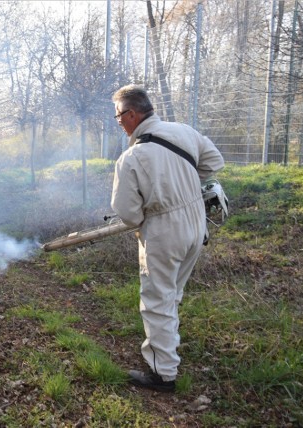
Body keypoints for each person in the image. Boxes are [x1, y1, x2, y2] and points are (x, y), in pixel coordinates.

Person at [110, 84, 224, 393]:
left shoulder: (131, 159)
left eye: (119, 116)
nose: (118, 122)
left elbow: (129, 214)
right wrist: (184, 186)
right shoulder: (183, 131)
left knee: (157, 300)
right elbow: (214, 163)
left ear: (132, 114)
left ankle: (163, 374)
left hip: (163, 230)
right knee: (171, 294)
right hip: (195, 223)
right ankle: (168, 351)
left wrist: (160, 201)